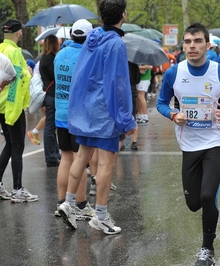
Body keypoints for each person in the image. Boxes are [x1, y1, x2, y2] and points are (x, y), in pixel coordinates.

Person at [156, 22, 220, 266]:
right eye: (188, 42)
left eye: (197, 41)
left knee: (207, 196)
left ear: (207, 45)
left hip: (215, 140)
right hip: (189, 144)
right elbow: (161, 103)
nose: (192, 46)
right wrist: (174, 114)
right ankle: (207, 210)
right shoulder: (174, 72)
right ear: (183, 45)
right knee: (194, 203)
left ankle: (207, 250)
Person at [58, 0, 136, 235]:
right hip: (105, 113)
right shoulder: (115, 43)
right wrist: (125, 119)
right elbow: (117, 85)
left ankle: (69, 204)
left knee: (80, 157)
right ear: (123, 14)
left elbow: (80, 76)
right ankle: (100, 215)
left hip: (85, 111)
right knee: (105, 165)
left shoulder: (91, 39)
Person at [53, 19, 95, 219]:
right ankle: (81, 204)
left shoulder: (60, 54)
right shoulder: (87, 56)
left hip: (60, 113)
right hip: (79, 116)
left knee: (66, 158)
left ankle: (62, 202)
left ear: (71, 35)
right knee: (81, 161)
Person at [0, 19, 38, 202]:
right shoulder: (15, 52)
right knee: (17, 146)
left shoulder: (0, 49)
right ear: (18, 33)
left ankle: (0, 185)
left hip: (1, 104)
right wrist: (28, 74)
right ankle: (17, 190)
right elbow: (17, 80)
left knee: (9, 144)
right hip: (11, 106)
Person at [39, 34, 61, 167]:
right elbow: (55, 76)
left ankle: (54, 152)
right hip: (52, 94)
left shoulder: (43, 58)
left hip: (48, 93)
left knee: (50, 125)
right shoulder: (51, 59)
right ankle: (51, 156)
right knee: (50, 126)